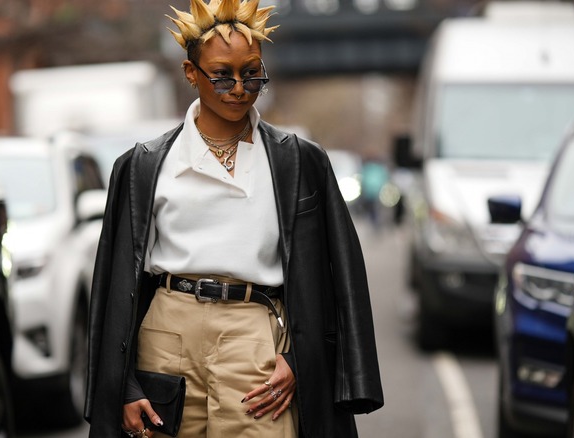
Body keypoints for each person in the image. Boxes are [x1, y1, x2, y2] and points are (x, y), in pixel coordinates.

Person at [84, 1, 384, 437]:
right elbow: (114, 284)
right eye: (222, 75)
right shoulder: (142, 165)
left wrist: (300, 358)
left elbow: (338, 275)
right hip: (166, 335)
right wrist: (124, 385)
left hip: (255, 333)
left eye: (252, 73)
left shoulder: (300, 162)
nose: (240, 88)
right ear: (191, 73)